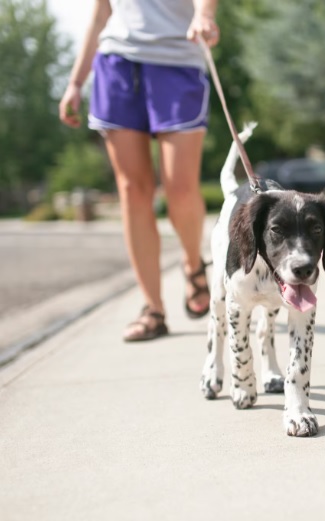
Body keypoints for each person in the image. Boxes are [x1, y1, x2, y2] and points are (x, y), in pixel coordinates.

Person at [59, 0, 220, 341]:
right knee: (132, 191)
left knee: (180, 188)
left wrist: (204, 14)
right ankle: (153, 308)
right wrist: (76, 82)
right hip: (116, 64)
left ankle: (193, 265)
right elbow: (101, 13)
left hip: (177, 60)